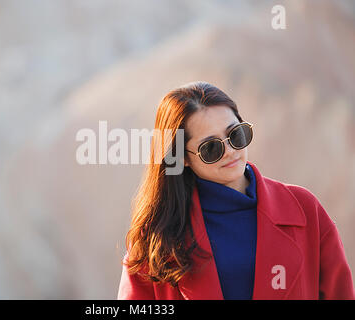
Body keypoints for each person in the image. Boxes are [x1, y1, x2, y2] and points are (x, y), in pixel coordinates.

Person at [117, 81, 354, 300]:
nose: (230, 151)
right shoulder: (156, 240)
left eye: (235, 134)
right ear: (182, 159)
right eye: (211, 148)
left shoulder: (304, 209)